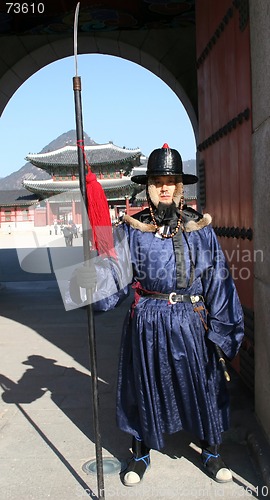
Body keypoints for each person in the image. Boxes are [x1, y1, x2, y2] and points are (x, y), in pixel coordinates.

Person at [73, 144, 244, 487]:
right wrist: (86, 282)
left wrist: (226, 333)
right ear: (149, 186)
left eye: (171, 180)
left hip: (191, 318)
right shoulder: (133, 230)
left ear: (181, 187)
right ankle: (139, 452)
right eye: (158, 180)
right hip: (147, 320)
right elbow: (115, 276)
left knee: (203, 385)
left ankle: (211, 450)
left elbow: (219, 282)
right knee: (143, 387)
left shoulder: (200, 230)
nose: (165, 186)